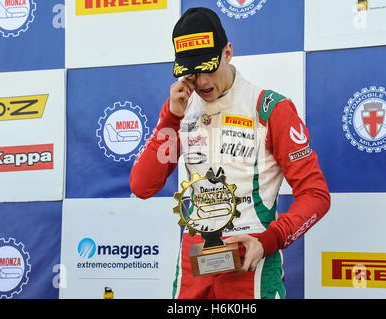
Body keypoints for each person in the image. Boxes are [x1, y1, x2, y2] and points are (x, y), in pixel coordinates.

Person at [130, 7, 330, 299]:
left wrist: (267, 241)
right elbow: (141, 186)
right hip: (195, 264)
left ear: (228, 52)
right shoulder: (181, 110)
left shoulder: (271, 108)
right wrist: (171, 119)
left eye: (210, 67)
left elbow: (316, 194)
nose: (202, 83)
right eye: (193, 72)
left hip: (251, 263)